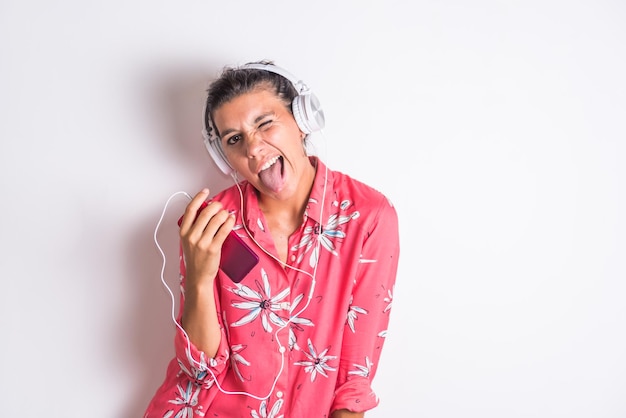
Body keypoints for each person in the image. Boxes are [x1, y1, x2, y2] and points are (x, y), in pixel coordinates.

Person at [144, 60, 400, 418]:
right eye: (234, 139)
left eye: (265, 123)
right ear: (224, 156)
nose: (252, 147)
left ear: (302, 122)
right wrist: (201, 279)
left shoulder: (369, 217)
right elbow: (200, 370)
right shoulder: (211, 225)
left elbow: (352, 387)